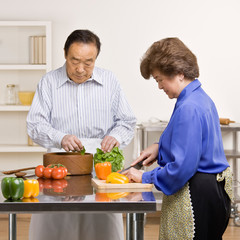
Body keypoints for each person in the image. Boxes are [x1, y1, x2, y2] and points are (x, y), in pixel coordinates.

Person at [27, 29, 136, 240]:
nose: (80, 69)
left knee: (101, 226)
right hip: (60, 165)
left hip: (101, 166)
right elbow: (35, 125)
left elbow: (127, 121)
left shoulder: (110, 81)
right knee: (56, 226)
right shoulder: (48, 82)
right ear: (65, 54)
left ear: (96, 58)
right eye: (74, 60)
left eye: (88, 62)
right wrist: (60, 137)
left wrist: (116, 137)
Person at [123, 38, 232, 240]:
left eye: (159, 79)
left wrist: (145, 177)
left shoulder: (188, 107)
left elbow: (182, 168)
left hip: (196, 194)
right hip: (212, 191)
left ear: (179, 73)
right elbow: (193, 144)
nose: (159, 86)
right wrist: (159, 147)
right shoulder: (198, 98)